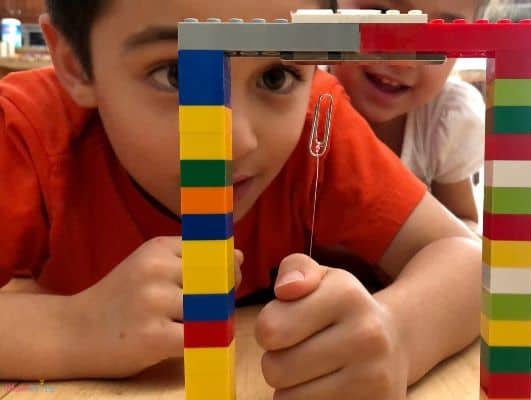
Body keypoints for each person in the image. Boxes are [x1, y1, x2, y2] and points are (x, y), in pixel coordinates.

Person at [0, 1, 480, 399]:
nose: (235, 139)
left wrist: (399, 334)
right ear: (74, 63)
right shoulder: (26, 131)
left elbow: (470, 262)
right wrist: (76, 329)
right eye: (177, 75)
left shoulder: (319, 124)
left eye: (276, 76)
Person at [332, 0, 490, 230]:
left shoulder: (442, 119)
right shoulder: (293, 100)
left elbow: (464, 226)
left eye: (439, 33)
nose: (403, 60)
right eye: (381, 15)